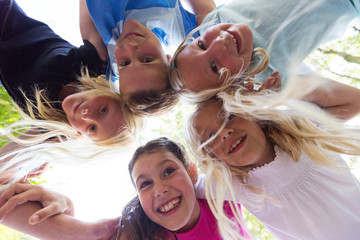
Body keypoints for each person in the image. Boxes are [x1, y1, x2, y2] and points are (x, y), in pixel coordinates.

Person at [186, 83, 360, 239]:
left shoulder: (300, 128)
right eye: (211, 137)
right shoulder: (229, 183)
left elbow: (354, 100)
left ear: (256, 116)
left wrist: (280, 91)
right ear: (214, 158)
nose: (224, 133)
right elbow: (182, 192)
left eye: (229, 117)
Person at [0, 0, 143, 186]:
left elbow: (5, 160)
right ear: (109, 93)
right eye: (103, 110)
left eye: (92, 128)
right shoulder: (93, 63)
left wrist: (28, 160)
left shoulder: (52, 126)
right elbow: (89, 5)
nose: (87, 116)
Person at [0, 137, 250, 240]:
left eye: (168, 171)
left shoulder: (222, 195)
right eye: (145, 184)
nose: (160, 189)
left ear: (192, 173)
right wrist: (68, 216)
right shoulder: (134, 233)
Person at [169, 0, 360, 104]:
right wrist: (271, 102)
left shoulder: (214, 21)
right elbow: (353, 100)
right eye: (214, 66)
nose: (220, 42)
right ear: (231, 87)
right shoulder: (269, 73)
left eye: (201, 45)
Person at [81, 0, 215, 114]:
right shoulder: (185, 35)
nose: (130, 47)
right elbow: (208, 14)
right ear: (169, 59)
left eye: (125, 63)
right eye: (147, 60)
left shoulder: (109, 65)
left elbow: (89, 31)